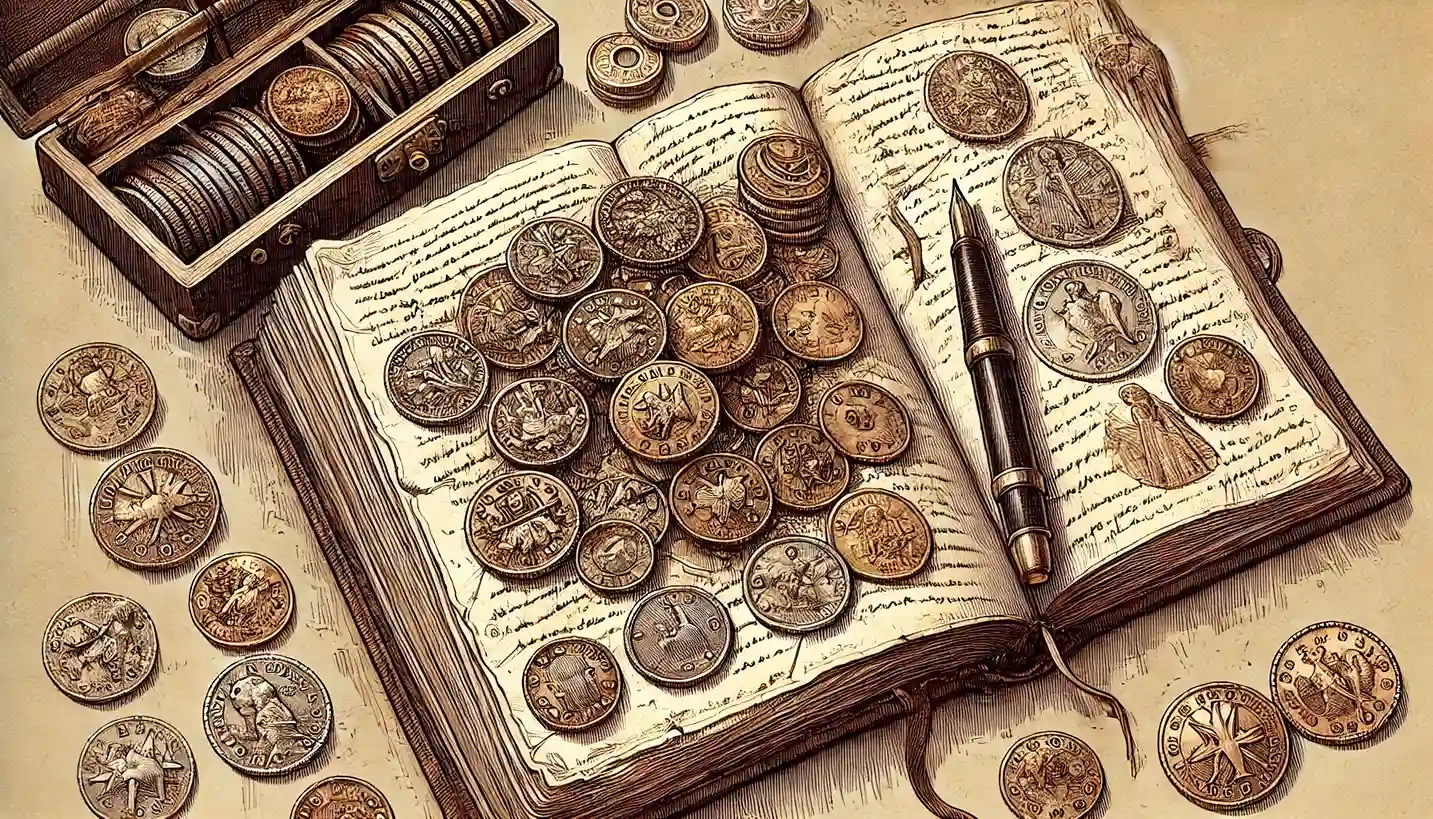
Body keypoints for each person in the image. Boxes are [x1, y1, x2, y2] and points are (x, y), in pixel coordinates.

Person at [1104, 384, 1219, 490]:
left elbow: (1164, 415)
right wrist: (1163, 430)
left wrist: (1167, 428)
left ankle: (1192, 472)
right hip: (1155, 436)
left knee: (1178, 449)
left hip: (1165, 429)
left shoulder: (1152, 400)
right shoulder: (1137, 408)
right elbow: (1147, 426)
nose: (1129, 396)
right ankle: (1178, 478)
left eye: (1129, 392)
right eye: (1126, 395)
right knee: (1168, 454)